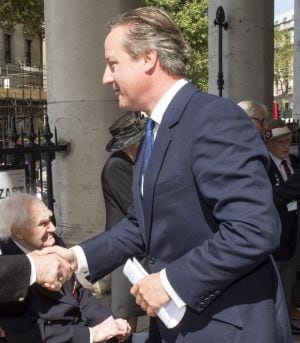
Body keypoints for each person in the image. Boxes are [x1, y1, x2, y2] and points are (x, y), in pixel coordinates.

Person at [42, 7, 291, 343]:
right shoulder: (153, 133)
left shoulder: (213, 119)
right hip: (179, 326)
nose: (105, 77)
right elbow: (140, 224)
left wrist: (170, 282)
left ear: (148, 58)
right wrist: (76, 257)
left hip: (227, 329)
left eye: (113, 64)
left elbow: (254, 229)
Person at [0, 193, 130, 343]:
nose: (53, 228)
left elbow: (78, 292)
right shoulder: (7, 270)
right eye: (43, 224)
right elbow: (26, 333)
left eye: (51, 218)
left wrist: (109, 322)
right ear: (18, 233)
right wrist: (91, 335)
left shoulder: (53, 243)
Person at [101, 110, 147, 337]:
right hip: (123, 248)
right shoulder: (117, 166)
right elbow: (133, 206)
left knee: (133, 310)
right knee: (124, 315)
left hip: (134, 246)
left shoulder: (133, 163)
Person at [264, 119, 300, 325]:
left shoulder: (295, 164)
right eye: (281, 142)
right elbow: (273, 197)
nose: (287, 146)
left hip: (294, 238)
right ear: (268, 143)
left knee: (288, 283)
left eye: (289, 141)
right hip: (274, 239)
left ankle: (284, 324)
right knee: (271, 286)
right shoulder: (263, 167)